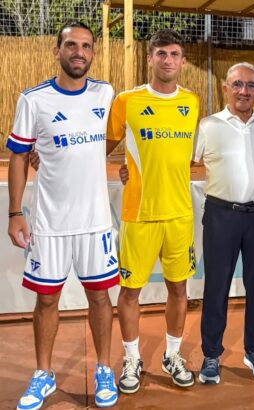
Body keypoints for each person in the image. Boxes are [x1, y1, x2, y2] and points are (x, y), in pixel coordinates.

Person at [7, 21, 119, 409]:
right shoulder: (33, 99)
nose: (79, 52)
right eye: (71, 45)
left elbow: (117, 135)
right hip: (50, 224)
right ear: (57, 51)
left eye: (86, 46)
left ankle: (103, 368)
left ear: (93, 53)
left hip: (95, 223)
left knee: (100, 297)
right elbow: (18, 156)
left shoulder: (106, 92)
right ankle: (44, 373)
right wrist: (15, 212)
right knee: (46, 301)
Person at [106, 29, 199, 392]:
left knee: (179, 289)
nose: (168, 60)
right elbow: (99, 146)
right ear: (149, 59)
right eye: (161, 53)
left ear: (183, 61)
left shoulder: (191, 102)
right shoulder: (127, 101)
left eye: (174, 54)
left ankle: (172, 355)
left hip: (179, 214)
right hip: (139, 214)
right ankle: (132, 358)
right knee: (130, 292)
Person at [193, 62, 254, 384]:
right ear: (226, 88)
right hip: (221, 215)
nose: (244, 91)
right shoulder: (207, 126)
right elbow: (179, 161)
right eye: (237, 84)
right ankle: (211, 354)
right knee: (217, 286)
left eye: (251, 85)